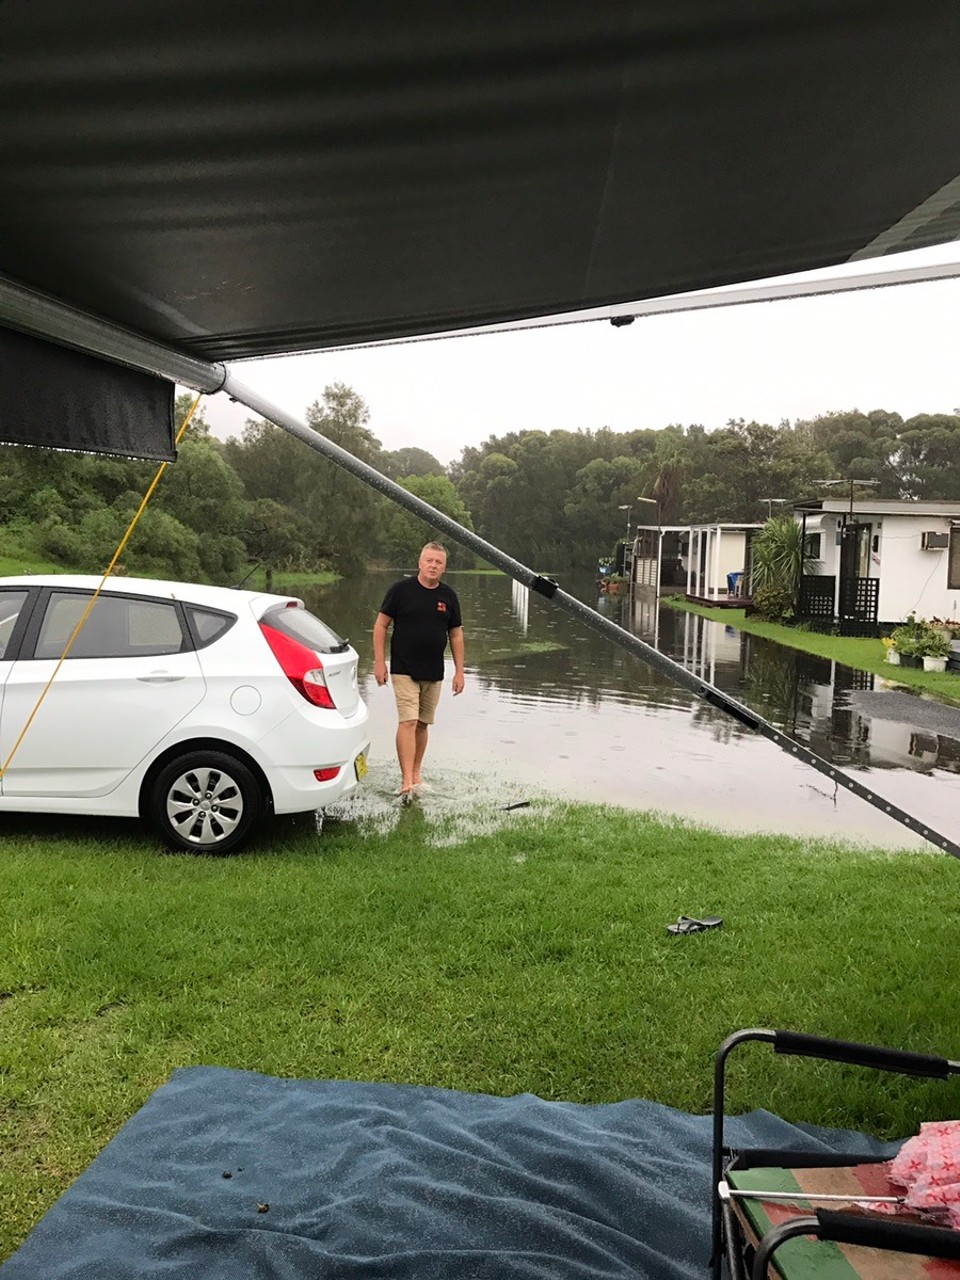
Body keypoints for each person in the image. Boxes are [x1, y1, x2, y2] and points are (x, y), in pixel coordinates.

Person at [373, 542, 465, 795]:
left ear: (444, 568)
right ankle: (406, 781)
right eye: (429, 561)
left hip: (434, 670)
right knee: (409, 721)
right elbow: (381, 626)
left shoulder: (448, 596)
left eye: (438, 562)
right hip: (403, 668)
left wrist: (460, 671)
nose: (433, 565)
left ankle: (416, 772)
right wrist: (379, 662)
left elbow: (456, 635)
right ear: (420, 563)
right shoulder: (400, 591)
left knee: (423, 724)